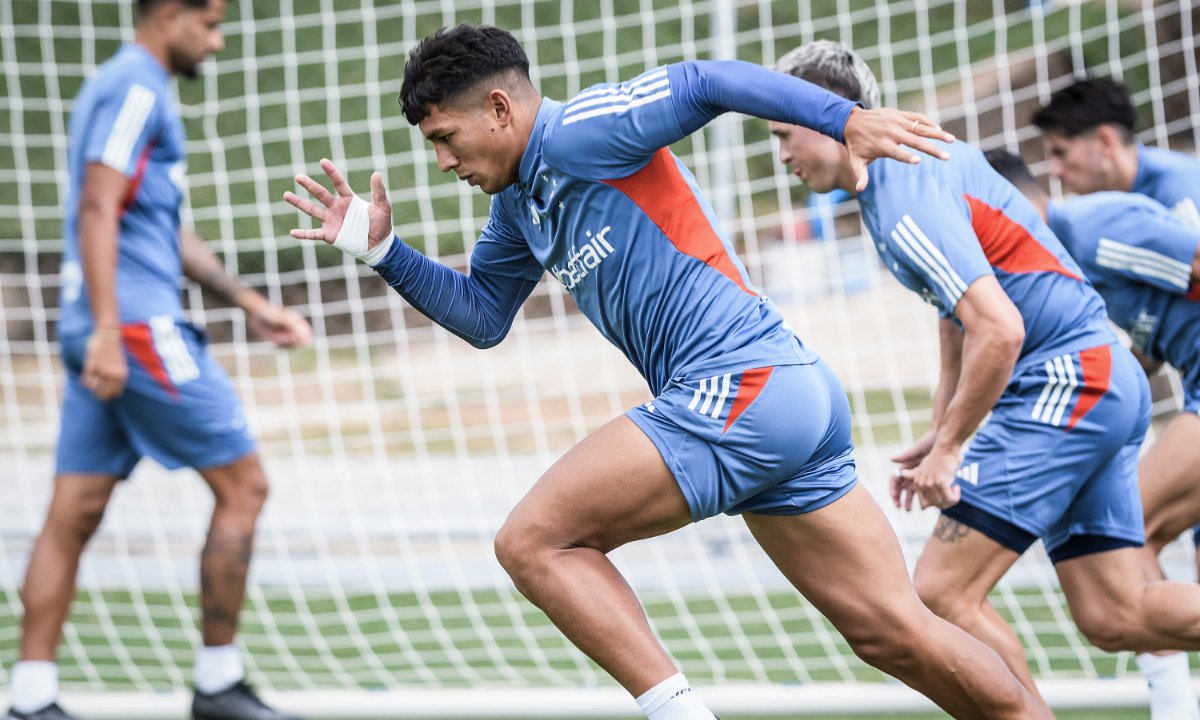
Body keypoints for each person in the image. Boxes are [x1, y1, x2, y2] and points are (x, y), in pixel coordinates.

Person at [285, 23, 1048, 720]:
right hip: (782, 395)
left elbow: (704, 81)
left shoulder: (582, 130)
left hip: (739, 386)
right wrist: (384, 252)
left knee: (534, 542)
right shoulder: (520, 210)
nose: (445, 162)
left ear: (498, 107)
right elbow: (484, 316)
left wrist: (844, 120)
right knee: (895, 634)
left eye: (446, 138)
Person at [766, 39, 1200, 718]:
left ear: (832, 119)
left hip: (1069, 382)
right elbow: (959, 311)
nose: (782, 156)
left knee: (939, 593)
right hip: (1099, 380)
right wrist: (943, 427)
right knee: (1117, 614)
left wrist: (949, 450)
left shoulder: (900, 191)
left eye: (784, 134)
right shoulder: (908, 172)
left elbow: (999, 328)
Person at [5, 2, 311, 719]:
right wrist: (112, 331)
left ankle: (30, 696)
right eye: (208, 22)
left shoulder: (121, 88)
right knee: (246, 486)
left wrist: (248, 301)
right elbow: (97, 209)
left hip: (100, 326)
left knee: (71, 512)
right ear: (168, 15)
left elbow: (156, 225)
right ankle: (217, 683)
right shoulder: (137, 86)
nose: (218, 38)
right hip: (134, 329)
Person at [987, 148, 1200, 719]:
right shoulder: (1063, 264)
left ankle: (1176, 705)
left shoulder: (1090, 228)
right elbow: (1156, 338)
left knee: (1137, 528)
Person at [1033, 77, 1200, 229]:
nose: (1054, 171)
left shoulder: (1179, 195)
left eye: (1061, 153)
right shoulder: (1114, 199)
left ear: (1105, 141)